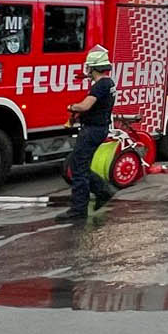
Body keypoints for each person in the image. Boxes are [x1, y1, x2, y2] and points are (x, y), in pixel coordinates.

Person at [60, 45, 117, 222]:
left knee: (79, 170)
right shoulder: (107, 83)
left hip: (92, 130)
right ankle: (103, 190)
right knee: (79, 165)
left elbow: (86, 105)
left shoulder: (99, 86)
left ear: (92, 68)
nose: (87, 70)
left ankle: (78, 210)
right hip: (98, 128)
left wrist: (72, 106)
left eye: (88, 68)